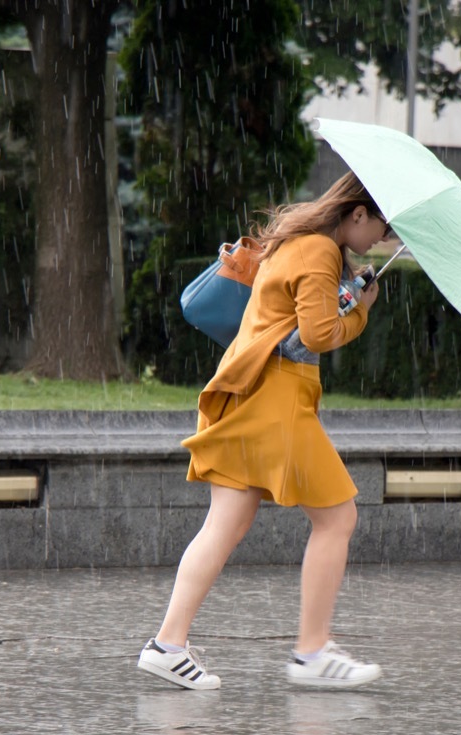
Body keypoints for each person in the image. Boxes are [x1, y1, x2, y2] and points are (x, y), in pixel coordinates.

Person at [137, 172, 394, 691]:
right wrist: (360, 314)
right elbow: (314, 338)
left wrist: (343, 295)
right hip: (277, 399)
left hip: (246, 392)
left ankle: (167, 644)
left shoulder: (298, 241)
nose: (382, 242)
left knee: (224, 525)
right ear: (359, 213)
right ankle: (312, 652)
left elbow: (292, 326)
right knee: (338, 518)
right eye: (383, 229)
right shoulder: (320, 250)